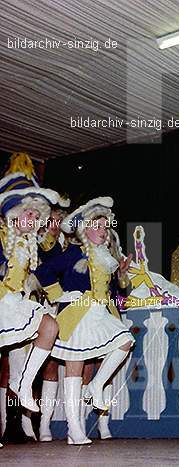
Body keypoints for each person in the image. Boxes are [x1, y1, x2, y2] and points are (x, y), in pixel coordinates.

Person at [35, 197, 134, 445]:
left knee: (125, 341)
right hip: (78, 314)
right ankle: (74, 429)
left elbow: (121, 292)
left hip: (103, 313)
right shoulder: (74, 253)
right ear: (85, 229)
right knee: (74, 368)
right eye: (97, 226)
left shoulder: (108, 258)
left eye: (105, 226)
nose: (103, 231)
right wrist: (60, 296)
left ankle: (96, 386)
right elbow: (44, 272)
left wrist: (121, 276)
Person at [0, 169, 61, 444]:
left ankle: (23, 384)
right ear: (14, 212)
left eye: (38, 216)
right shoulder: (2, 235)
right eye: (29, 213)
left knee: (50, 326)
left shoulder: (26, 242)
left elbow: (42, 275)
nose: (34, 220)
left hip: (13, 303)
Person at [36, 200, 70, 442]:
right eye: (51, 221)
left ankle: (44, 425)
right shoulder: (36, 242)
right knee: (15, 366)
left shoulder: (67, 246)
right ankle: (19, 422)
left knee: (51, 365)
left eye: (59, 221)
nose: (55, 226)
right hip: (34, 304)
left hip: (59, 307)